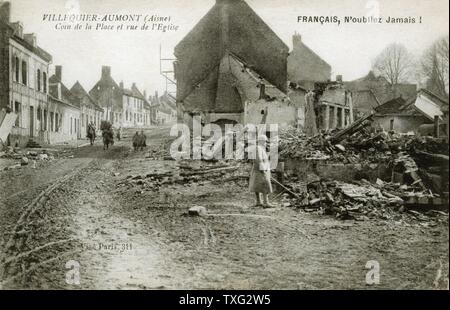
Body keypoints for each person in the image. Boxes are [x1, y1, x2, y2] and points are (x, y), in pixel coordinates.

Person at [249, 134, 273, 208]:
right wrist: (262, 169)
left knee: (258, 185)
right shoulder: (258, 148)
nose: (266, 143)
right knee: (264, 185)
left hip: (260, 169)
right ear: (261, 141)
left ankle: (259, 201)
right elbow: (258, 159)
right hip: (260, 170)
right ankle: (265, 202)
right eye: (265, 141)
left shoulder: (261, 148)